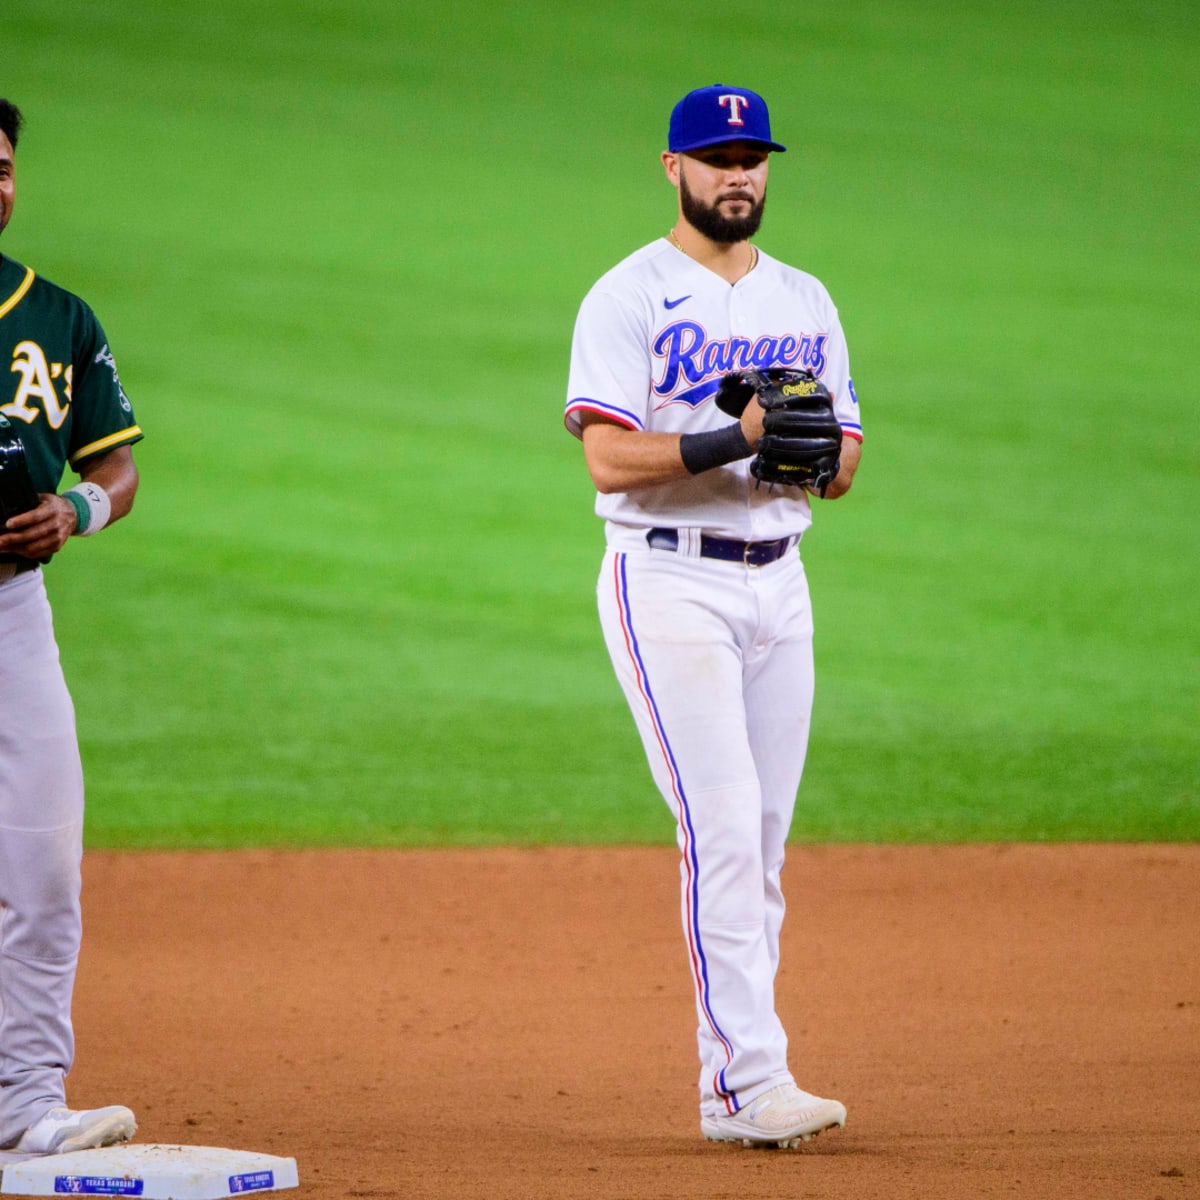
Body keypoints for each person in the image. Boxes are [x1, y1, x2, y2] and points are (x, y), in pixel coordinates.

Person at [564, 84, 863, 1148]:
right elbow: (605, 456)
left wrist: (816, 453)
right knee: (723, 828)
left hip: (781, 584)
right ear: (673, 168)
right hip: (668, 582)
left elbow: (846, 459)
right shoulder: (627, 296)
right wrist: (734, 438)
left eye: (753, 156)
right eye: (716, 156)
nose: (738, 174)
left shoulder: (808, 297)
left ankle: (744, 1073)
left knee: (764, 838)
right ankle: (743, 1085)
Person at [0, 99, 142, 1156]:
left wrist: (77, 510)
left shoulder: (59, 319)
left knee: (44, 866)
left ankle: (24, 1104)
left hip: (14, 613)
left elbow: (115, 466)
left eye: (1, 165)